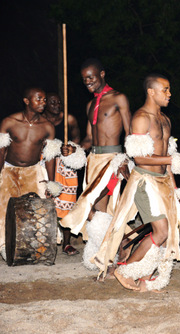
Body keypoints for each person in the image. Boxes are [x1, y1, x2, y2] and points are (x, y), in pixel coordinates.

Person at [91, 74, 180, 292]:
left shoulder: (165, 119)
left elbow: (166, 155)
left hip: (163, 181)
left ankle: (145, 277)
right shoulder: (141, 118)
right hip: (144, 182)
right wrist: (173, 159)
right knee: (161, 231)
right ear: (151, 92)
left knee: (166, 234)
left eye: (169, 89)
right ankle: (125, 269)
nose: (169, 94)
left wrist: (174, 188)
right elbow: (138, 158)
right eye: (165, 89)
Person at [61, 58, 131, 241]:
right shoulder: (90, 105)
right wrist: (74, 149)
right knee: (100, 211)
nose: (88, 82)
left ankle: (112, 249)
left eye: (91, 77)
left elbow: (130, 133)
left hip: (112, 159)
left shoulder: (119, 98)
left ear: (102, 74)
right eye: (84, 79)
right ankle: (121, 244)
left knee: (91, 205)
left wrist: (125, 159)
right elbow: (88, 139)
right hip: (93, 160)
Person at [0, 88, 62, 260]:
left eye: (44, 99)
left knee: (35, 209)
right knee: (4, 209)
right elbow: (1, 150)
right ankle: (5, 245)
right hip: (9, 170)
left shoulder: (47, 127)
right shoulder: (9, 122)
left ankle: (33, 245)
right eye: (39, 99)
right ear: (27, 101)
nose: (43, 102)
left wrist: (51, 183)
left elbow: (50, 157)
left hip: (33, 171)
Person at [43, 93, 83, 255]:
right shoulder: (40, 121)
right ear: (45, 104)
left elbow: (78, 140)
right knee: (45, 201)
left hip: (66, 165)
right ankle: (44, 242)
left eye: (59, 102)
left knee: (67, 204)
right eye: (52, 102)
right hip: (46, 162)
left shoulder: (69, 119)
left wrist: (72, 149)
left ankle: (67, 243)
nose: (56, 105)